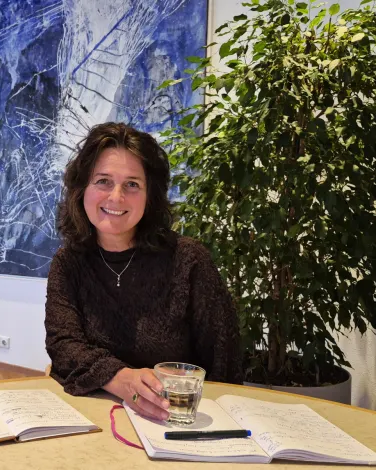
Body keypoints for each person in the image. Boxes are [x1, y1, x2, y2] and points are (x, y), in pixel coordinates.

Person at [45, 122, 242, 422]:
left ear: (150, 195)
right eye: (103, 181)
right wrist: (119, 378)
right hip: (97, 420)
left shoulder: (189, 261)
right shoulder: (68, 262)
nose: (116, 197)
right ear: (82, 188)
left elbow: (224, 365)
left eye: (132, 184)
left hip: (177, 424)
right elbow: (63, 346)